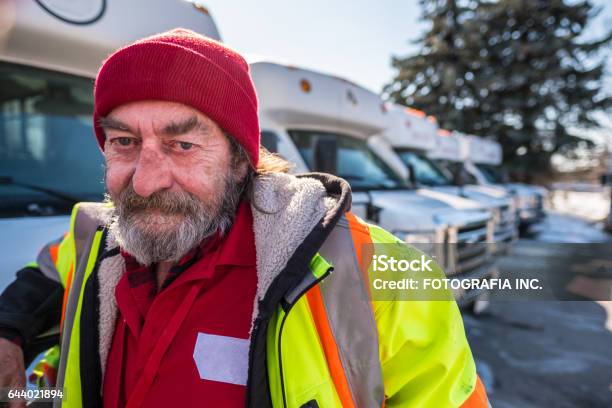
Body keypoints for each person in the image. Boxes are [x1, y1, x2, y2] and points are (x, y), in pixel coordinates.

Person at [0, 29, 489, 408]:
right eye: (124, 142)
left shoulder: (378, 273)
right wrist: (9, 332)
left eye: (183, 145)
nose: (145, 182)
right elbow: (48, 276)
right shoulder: (99, 240)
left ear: (240, 159)